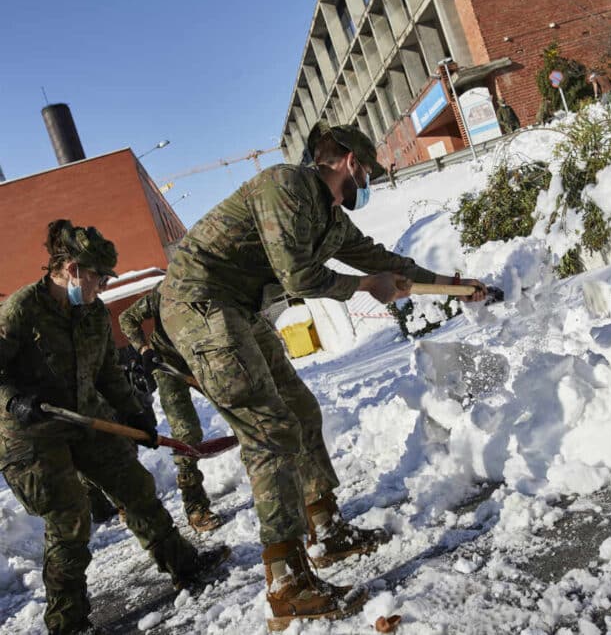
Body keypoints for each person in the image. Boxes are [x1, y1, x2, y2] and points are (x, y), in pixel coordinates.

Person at [158, 120, 487, 629]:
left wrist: (457, 284)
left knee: (301, 412)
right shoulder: (285, 186)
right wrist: (366, 286)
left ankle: (327, 531)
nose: (369, 183)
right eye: (369, 172)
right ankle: (287, 583)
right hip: (200, 303)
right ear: (351, 163)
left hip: (240, 310)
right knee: (270, 430)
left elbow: (382, 261)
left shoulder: (330, 219)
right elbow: (298, 276)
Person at [0, 220, 230, 635]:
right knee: (70, 518)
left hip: (84, 416)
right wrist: (14, 400)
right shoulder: (20, 310)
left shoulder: (92, 312)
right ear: (72, 269)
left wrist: (134, 412)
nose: (103, 286)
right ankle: (67, 622)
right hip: (30, 430)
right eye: (99, 277)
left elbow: (106, 371)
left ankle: (183, 564)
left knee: (135, 485)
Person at [119, 284, 223, 533]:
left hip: (207, 360)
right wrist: (144, 349)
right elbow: (127, 317)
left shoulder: (220, 285)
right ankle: (195, 506)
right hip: (167, 366)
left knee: (245, 413)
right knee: (186, 434)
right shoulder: (168, 289)